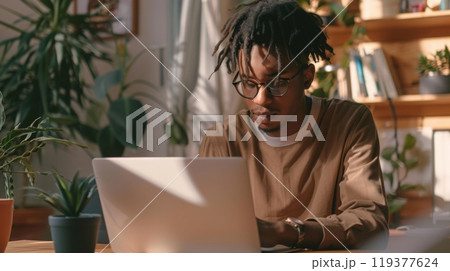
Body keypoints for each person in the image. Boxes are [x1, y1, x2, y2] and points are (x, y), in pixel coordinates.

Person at [199, 0, 389, 250]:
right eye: (248, 83)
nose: (261, 99)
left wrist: (282, 231)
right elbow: (203, 229)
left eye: (277, 83)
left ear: (307, 77)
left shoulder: (348, 123)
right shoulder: (222, 138)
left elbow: (370, 223)